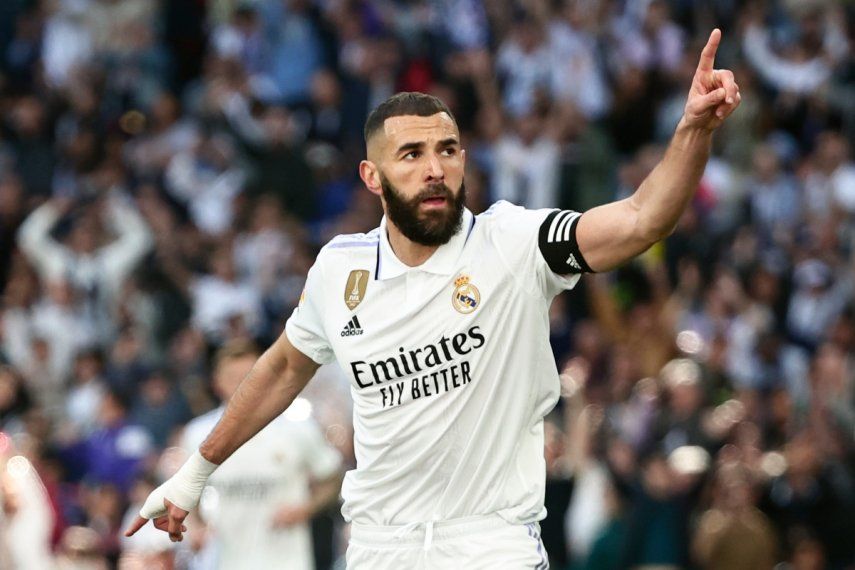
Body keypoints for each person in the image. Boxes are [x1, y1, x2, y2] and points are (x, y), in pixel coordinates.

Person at [126, 29, 741, 568]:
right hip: (378, 547)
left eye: (447, 151)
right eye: (412, 154)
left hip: (490, 545)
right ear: (373, 177)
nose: (434, 168)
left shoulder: (514, 242)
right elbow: (286, 365)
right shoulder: (340, 270)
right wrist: (194, 474)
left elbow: (640, 221)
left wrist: (691, 131)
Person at [177, 339, 342, 570]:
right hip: (224, 561)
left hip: (286, 562)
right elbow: (184, 493)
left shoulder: (297, 427)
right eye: (233, 377)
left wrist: (306, 508)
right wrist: (195, 527)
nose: (242, 385)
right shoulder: (198, 434)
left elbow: (332, 478)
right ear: (217, 382)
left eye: (249, 376)